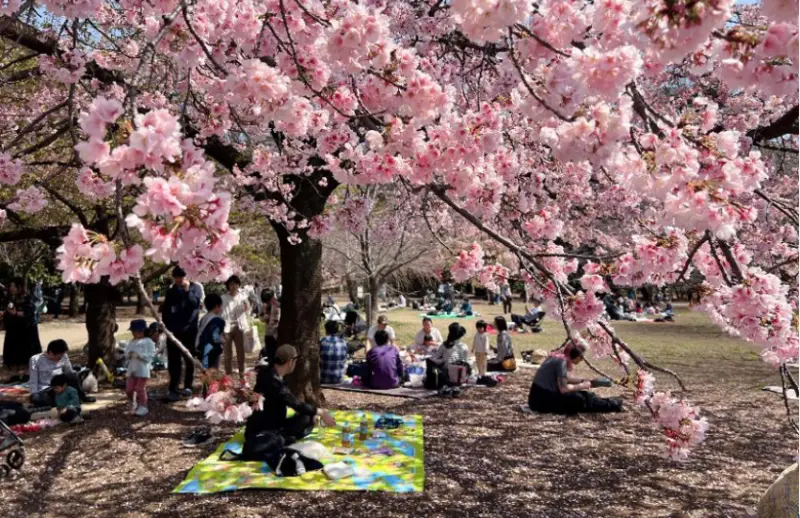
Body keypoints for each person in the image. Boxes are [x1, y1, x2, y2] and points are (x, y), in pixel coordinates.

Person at [242, 345, 336, 462]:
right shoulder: (272, 380)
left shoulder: (272, 374)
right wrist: (321, 412)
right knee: (305, 418)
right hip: (264, 430)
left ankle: (289, 435)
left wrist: (313, 413)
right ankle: (285, 438)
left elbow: (293, 402)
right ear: (290, 362)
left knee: (306, 417)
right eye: (295, 361)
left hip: (274, 422)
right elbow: (294, 403)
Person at [527, 343, 622, 414]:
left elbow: (564, 377)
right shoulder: (562, 362)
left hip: (537, 398)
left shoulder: (557, 356)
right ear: (576, 355)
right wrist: (583, 385)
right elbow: (564, 389)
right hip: (542, 401)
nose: (581, 360)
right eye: (581, 357)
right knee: (579, 399)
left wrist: (585, 381)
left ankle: (611, 402)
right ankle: (613, 405)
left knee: (585, 395)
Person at [161, 266, 203, 401]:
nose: (179, 280)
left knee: (189, 358)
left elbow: (195, 304)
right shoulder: (171, 290)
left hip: (189, 330)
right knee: (173, 360)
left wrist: (186, 290)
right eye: (177, 278)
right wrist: (165, 327)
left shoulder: (196, 287)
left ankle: (188, 385)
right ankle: (173, 386)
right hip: (173, 330)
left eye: (182, 277)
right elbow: (166, 310)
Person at [29, 339, 94, 407]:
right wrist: (34, 393)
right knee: (40, 400)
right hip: (47, 389)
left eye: (63, 355)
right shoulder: (35, 360)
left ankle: (82, 397)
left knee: (72, 376)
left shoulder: (64, 356)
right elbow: (33, 380)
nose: (61, 357)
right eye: (59, 356)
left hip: (62, 386)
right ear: (51, 352)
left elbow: (69, 372)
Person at [2, 278, 42, 370]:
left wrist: (16, 313)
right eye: (11, 286)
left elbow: (29, 312)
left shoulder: (27, 298)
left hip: (26, 328)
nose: (12, 288)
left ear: (19, 287)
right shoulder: (9, 298)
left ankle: (26, 366)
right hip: (13, 327)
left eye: (14, 286)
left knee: (25, 347)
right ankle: (13, 365)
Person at [221, 275, 251, 382]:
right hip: (227, 328)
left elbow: (247, 309)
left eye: (235, 284)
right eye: (231, 284)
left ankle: (243, 376)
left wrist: (246, 305)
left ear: (239, 285)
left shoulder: (242, 297)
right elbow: (220, 312)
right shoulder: (223, 298)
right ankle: (228, 378)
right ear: (228, 286)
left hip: (239, 327)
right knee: (227, 354)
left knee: (241, 352)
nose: (233, 286)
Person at [124, 320, 155, 417]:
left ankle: (143, 405)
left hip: (142, 369)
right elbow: (126, 352)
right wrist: (128, 354)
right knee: (129, 389)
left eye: (135, 331)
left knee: (140, 388)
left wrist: (140, 355)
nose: (133, 333)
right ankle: (132, 403)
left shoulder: (148, 341)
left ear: (142, 331)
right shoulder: (132, 341)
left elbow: (151, 355)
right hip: (132, 368)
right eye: (132, 331)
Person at [196, 294, 226, 369]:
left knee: (205, 373)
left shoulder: (204, 318)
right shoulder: (218, 320)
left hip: (199, 347)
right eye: (220, 306)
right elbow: (215, 337)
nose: (221, 308)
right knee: (213, 372)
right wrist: (223, 340)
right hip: (211, 350)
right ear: (216, 306)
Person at [319, 320, 348, 384]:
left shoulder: (322, 341)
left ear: (326, 330)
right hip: (339, 379)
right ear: (337, 330)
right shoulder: (343, 342)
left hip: (323, 378)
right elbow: (344, 359)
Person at [259, 289, 280, 362]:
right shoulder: (264, 306)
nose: (267, 303)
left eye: (268, 300)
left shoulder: (278, 305)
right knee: (270, 354)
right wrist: (265, 317)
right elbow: (261, 317)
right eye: (266, 301)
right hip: (268, 333)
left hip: (277, 333)